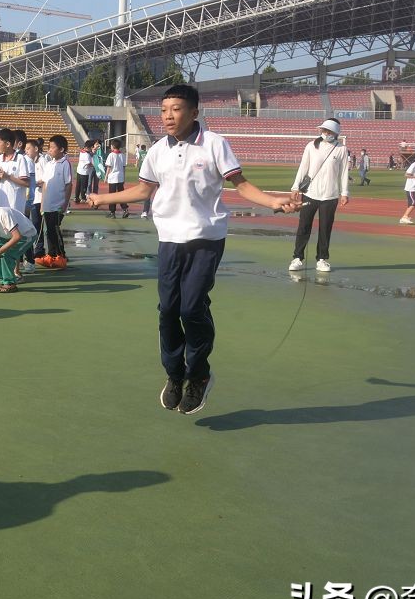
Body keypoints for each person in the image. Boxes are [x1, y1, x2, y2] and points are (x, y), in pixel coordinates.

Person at [87, 85, 295, 415]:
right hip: (169, 238)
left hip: (206, 238)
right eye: (164, 109)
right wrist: (103, 198)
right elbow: (143, 189)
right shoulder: (157, 150)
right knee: (168, 309)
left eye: (177, 109)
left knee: (191, 308)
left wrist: (274, 202)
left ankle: (199, 375)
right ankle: (175, 374)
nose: (169, 115)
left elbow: (240, 184)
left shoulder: (214, 144)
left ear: (194, 112)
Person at [287, 118, 350, 273]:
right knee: (304, 226)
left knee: (325, 228)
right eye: (323, 130)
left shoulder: (341, 149)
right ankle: (297, 258)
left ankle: (322, 259)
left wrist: (344, 193)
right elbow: (303, 167)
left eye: (328, 131)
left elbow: (344, 173)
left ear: (335, 133)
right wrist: (296, 186)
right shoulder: (311, 146)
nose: (325, 133)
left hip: (330, 196)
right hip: (310, 194)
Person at [35, 135, 73, 268]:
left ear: (61, 149)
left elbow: (68, 185)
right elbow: (45, 184)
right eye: (49, 147)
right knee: (48, 231)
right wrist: (42, 203)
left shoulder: (65, 164)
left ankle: (60, 256)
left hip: (58, 205)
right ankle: (51, 256)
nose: (49, 150)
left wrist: (65, 203)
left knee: (54, 230)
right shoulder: (49, 164)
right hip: (47, 204)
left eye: (52, 147)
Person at [0, 128, 31, 214]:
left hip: (15, 204)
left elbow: (27, 183)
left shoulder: (20, 159)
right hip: (0, 202)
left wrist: (8, 177)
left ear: (8, 144)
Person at [24, 138, 46, 272]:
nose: (26, 152)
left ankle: (39, 250)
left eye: (28, 149)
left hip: (41, 198)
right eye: (25, 149)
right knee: (33, 225)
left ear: (36, 149)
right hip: (32, 198)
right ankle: (37, 250)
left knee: (38, 225)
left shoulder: (42, 160)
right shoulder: (27, 161)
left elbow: (46, 179)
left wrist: (34, 183)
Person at [104, 140, 128, 218]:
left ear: (113, 146)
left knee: (112, 195)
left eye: (111, 145)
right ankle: (125, 209)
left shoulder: (111, 155)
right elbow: (124, 168)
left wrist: (106, 177)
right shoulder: (123, 155)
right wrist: (124, 177)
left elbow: (109, 167)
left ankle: (112, 212)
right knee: (121, 195)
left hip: (113, 178)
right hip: (120, 177)